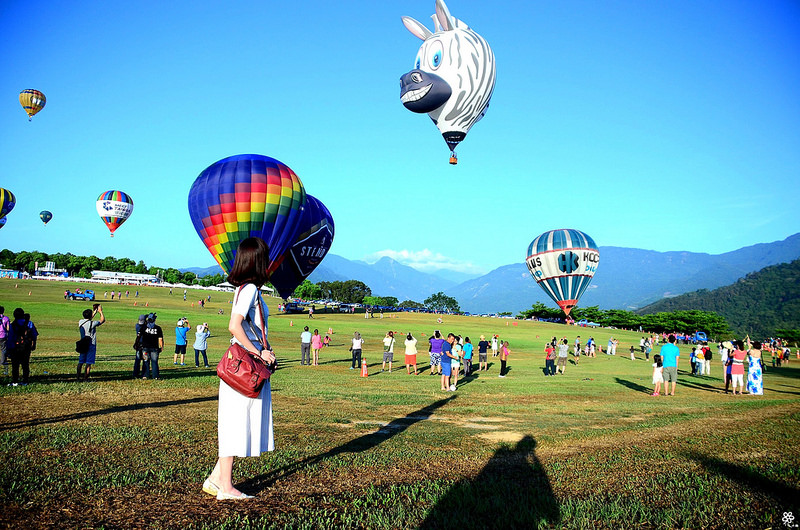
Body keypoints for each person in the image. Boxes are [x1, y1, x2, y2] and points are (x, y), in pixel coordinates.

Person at [204, 237, 275, 501]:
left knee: (235, 421)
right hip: (246, 366)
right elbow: (234, 327)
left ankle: (215, 479)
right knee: (235, 424)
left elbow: (247, 328)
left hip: (243, 364)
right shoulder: (250, 291)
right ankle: (227, 488)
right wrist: (259, 352)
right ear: (258, 261)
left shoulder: (244, 289)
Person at [7, 308, 36, 386]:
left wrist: (9, 349)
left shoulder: (13, 325)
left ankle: (15, 381)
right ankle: (25, 381)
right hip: (26, 346)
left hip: (15, 347)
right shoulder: (30, 323)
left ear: (14, 315)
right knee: (25, 364)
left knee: (15, 365)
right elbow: (34, 335)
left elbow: (10, 338)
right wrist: (34, 344)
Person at [77, 305, 105, 382]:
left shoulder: (80, 322)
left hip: (82, 344)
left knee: (81, 362)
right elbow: (102, 320)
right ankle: (85, 378)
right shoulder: (93, 323)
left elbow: (88, 319)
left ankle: (78, 377)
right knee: (88, 363)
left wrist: (94, 312)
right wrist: (100, 312)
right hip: (91, 344)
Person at [140, 313, 164, 380]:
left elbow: (140, 336)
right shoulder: (158, 328)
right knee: (154, 362)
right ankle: (155, 376)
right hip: (154, 348)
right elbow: (160, 339)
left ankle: (145, 375)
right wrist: (161, 347)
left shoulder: (144, 327)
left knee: (145, 361)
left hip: (145, 348)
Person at [0, 306, 9, 376]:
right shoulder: (6, 318)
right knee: (3, 349)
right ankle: (3, 361)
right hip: (3, 335)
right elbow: (8, 328)